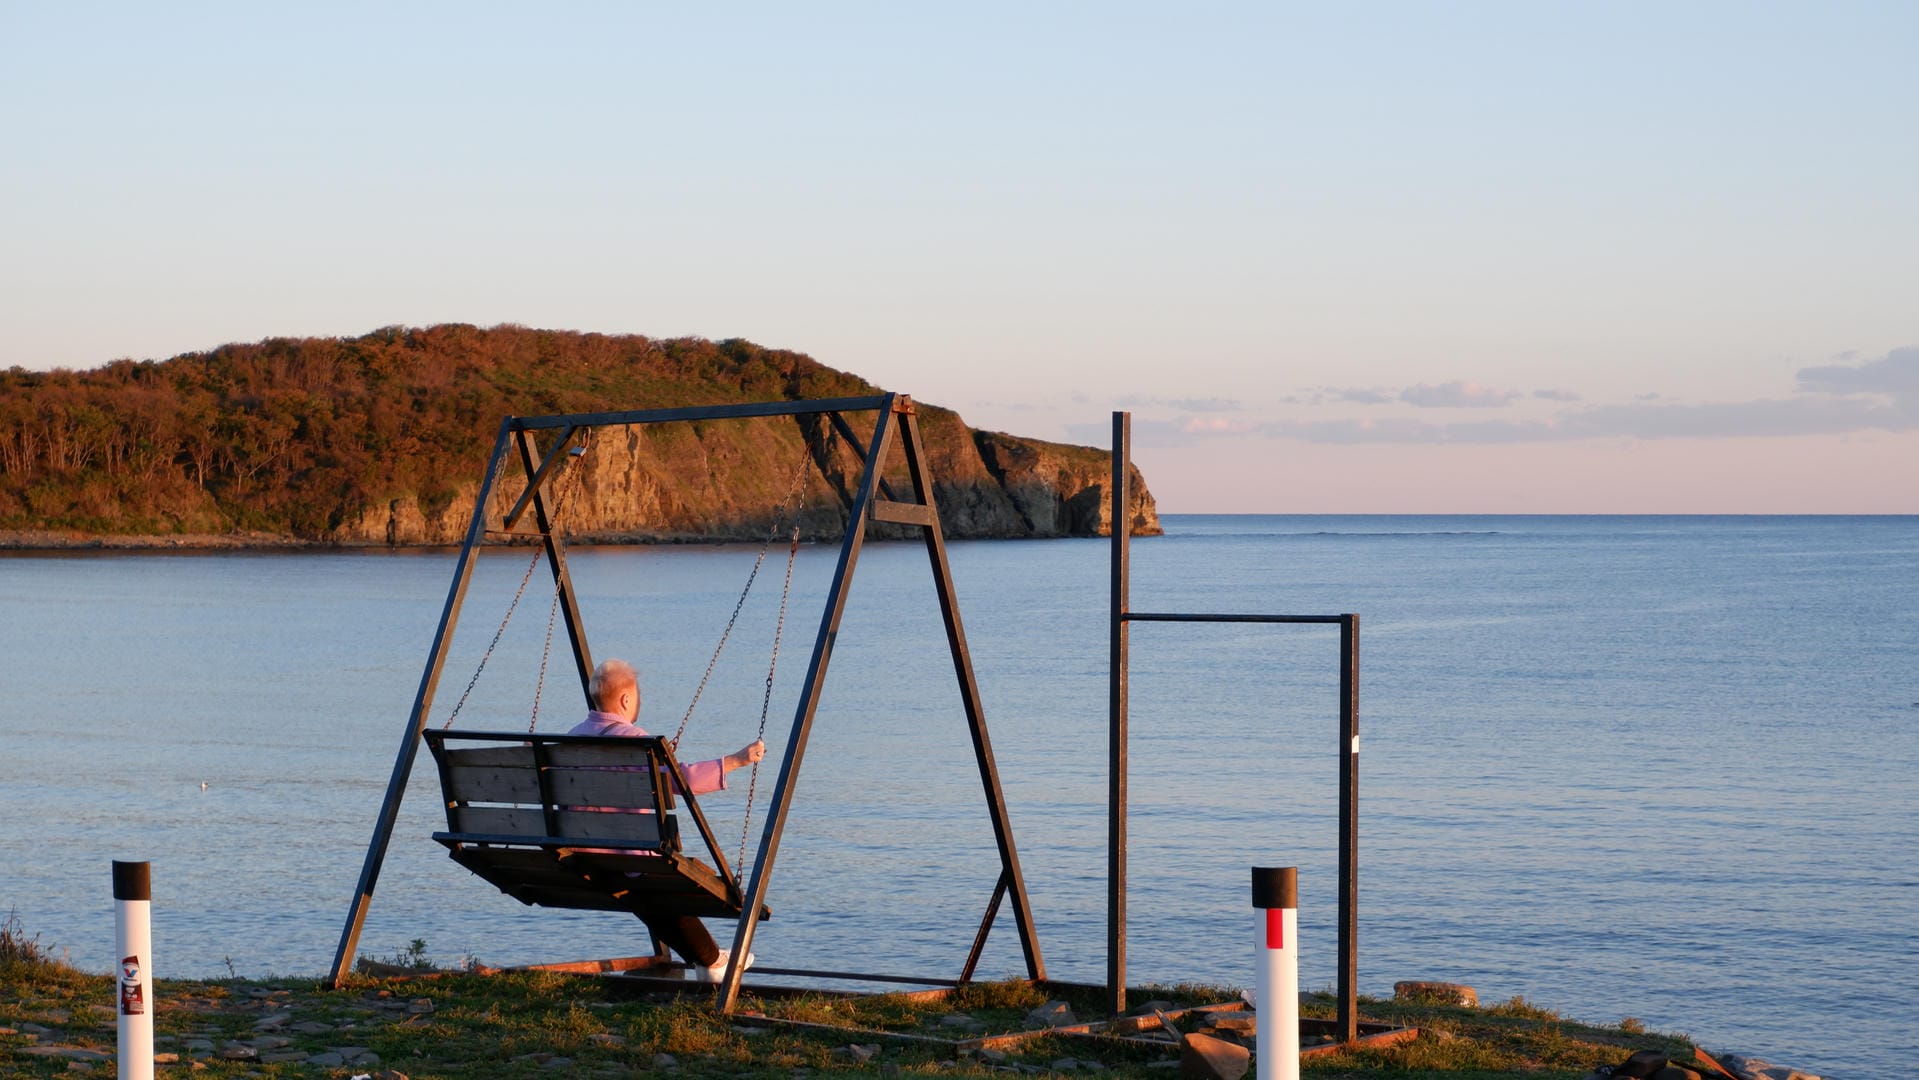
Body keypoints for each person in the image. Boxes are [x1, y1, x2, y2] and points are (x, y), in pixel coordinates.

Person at [568, 657, 766, 983]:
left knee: (648, 891)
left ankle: (710, 961)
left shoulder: (571, 738)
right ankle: (714, 962)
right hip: (627, 859)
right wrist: (736, 760)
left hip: (582, 856)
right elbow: (678, 780)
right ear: (626, 699)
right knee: (662, 883)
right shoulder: (634, 741)